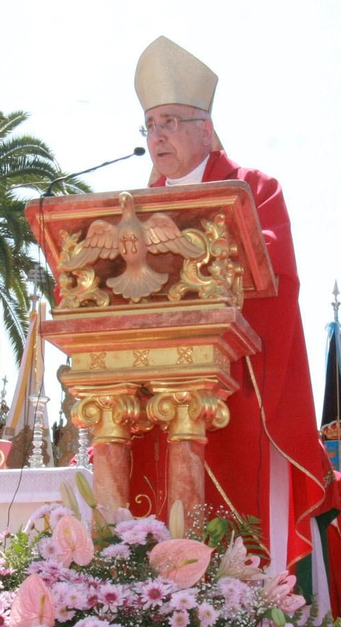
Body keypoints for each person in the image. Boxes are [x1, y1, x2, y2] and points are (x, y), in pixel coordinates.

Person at [128, 36, 328, 574]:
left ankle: (244, 609)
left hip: (234, 383)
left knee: (238, 528)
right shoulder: (133, 207)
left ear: (206, 129)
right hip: (151, 383)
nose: (157, 135)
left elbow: (273, 268)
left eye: (170, 121)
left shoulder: (252, 188)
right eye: (149, 125)